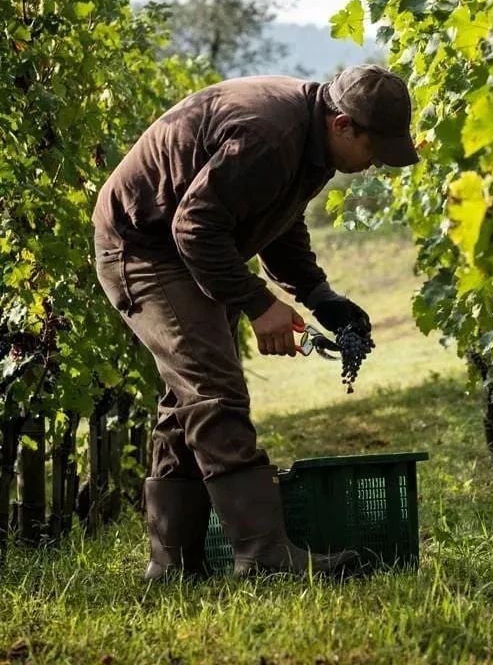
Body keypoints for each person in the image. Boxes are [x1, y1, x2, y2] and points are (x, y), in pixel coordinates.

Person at [92, 64, 418, 581]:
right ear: (343, 125)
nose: (377, 163)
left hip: (179, 250)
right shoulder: (270, 132)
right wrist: (258, 304)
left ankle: (172, 563)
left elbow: (278, 221)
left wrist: (318, 295)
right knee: (215, 392)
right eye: (375, 148)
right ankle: (264, 555)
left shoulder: (311, 142)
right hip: (144, 248)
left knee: (190, 398)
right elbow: (193, 227)